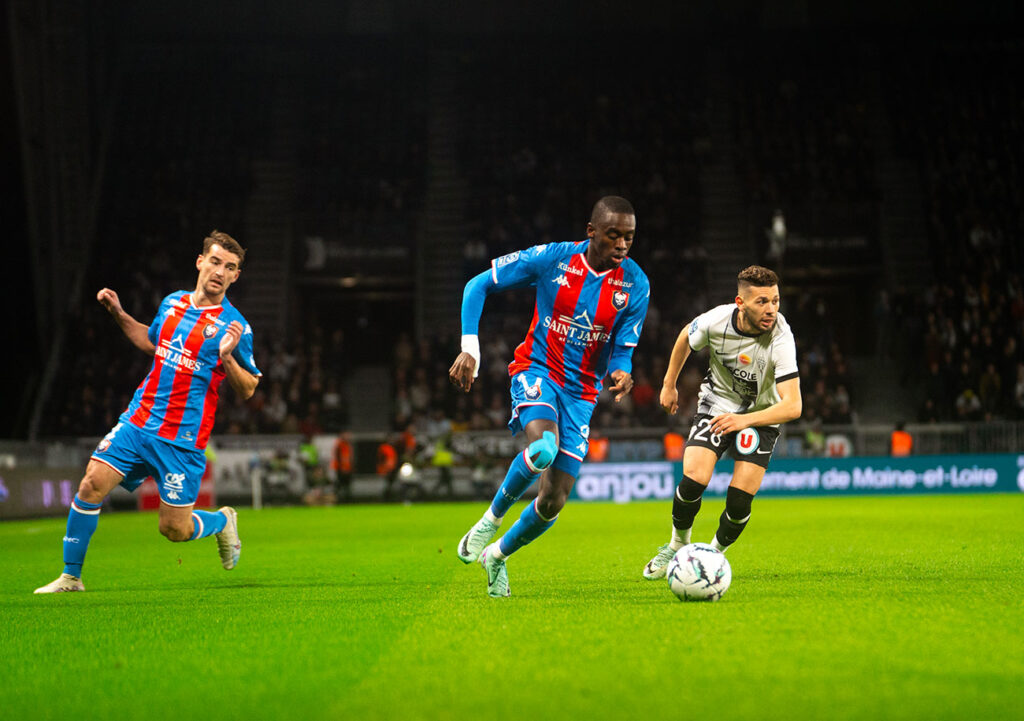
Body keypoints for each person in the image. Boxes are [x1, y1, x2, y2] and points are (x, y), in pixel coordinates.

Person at [34, 231, 261, 593]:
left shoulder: (236, 327)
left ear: (236, 276)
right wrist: (119, 313)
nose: (220, 271)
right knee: (91, 483)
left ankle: (221, 521)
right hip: (139, 421)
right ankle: (70, 577)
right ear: (200, 262)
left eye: (230, 267)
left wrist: (228, 357)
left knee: (174, 529)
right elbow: (152, 342)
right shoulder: (172, 304)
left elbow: (248, 387)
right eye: (215, 261)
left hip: (182, 439)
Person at [450, 196, 649, 597]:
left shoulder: (636, 284)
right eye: (613, 235)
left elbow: (622, 350)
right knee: (543, 447)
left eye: (628, 237)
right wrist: (470, 347)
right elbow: (477, 286)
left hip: (581, 394)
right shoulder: (553, 260)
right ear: (591, 232)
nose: (622, 245)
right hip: (537, 369)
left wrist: (623, 372)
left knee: (553, 500)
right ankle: (491, 518)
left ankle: (498, 555)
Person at [642, 265, 801, 579]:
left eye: (775, 301)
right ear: (740, 303)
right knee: (693, 478)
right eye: (762, 302)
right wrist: (669, 384)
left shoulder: (781, 338)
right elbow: (687, 335)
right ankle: (676, 545)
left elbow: (793, 406)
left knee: (739, 502)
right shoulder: (718, 320)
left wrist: (743, 421)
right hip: (717, 405)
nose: (771, 309)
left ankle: (710, 558)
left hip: (762, 417)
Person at [331, 429, 354, 501]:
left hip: (347, 468)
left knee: (347, 485)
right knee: (340, 484)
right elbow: (338, 457)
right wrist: (342, 468)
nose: (348, 436)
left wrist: (350, 467)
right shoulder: (339, 444)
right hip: (340, 468)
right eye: (346, 434)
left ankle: (346, 499)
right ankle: (337, 499)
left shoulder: (348, 444)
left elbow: (349, 457)